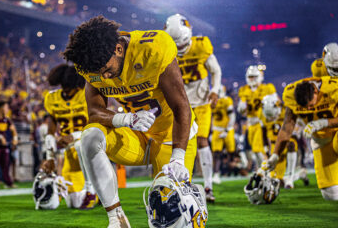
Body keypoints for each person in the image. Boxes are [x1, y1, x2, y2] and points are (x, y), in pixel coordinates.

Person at [63, 15, 198, 228]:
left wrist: (178, 158)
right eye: (99, 74)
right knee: (90, 136)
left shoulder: (153, 48)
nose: (105, 77)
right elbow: (95, 112)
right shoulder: (92, 64)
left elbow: (181, 106)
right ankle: (116, 219)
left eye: (107, 69)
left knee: (172, 214)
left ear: (118, 49)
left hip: (171, 136)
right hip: (138, 135)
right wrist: (125, 118)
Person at [165, 14, 222, 202]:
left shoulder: (201, 45)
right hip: (181, 105)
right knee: (178, 144)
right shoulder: (166, 49)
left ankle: (208, 187)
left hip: (203, 103)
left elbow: (216, 70)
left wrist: (215, 90)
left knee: (203, 141)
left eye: (182, 44)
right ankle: (179, 185)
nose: (180, 49)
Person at [266, 76, 338, 200]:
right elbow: (287, 127)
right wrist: (275, 155)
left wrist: (322, 123)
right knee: (331, 195)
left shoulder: (333, 88)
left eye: (310, 105)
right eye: (305, 108)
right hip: (321, 141)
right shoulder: (291, 95)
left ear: (316, 91)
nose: (309, 109)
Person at [41, 63, 98, 210]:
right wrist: (50, 158)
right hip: (70, 152)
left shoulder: (86, 94)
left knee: (80, 144)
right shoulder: (53, 98)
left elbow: (97, 123)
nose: (69, 91)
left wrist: (74, 136)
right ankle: (96, 194)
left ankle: (92, 190)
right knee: (75, 203)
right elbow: (51, 129)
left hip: (90, 145)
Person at [238, 66, 277, 170]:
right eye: (250, 77)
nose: (252, 79)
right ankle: (263, 170)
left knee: (259, 149)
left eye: (254, 76)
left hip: (262, 123)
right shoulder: (244, 90)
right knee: (255, 150)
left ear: (259, 76)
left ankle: (266, 171)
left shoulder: (267, 88)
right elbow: (241, 110)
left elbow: (276, 104)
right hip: (251, 124)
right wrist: (241, 108)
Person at [0, 101, 18, 188]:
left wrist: (15, 139)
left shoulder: (7, 119)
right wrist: (0, 137)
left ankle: (8, 182)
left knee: (6, 164)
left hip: (4, 145)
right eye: (6, 107)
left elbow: (13, 130)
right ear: (1, 108)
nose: (7, 109)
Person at [211, 85, 235, 184]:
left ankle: (230, 171)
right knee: (216, 153)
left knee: (231, 152)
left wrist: (227, 130)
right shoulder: (211, 102)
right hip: (217, 129)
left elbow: (232, 116)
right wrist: (212, 130)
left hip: (227, 129)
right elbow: (212, 117)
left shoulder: (227, 101)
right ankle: (216, 174)